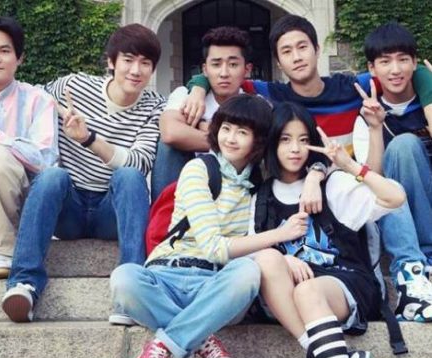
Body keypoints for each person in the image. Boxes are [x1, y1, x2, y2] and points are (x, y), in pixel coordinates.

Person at [185, 13, 432, 320]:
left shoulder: (354, 87)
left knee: (387, 174)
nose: (297, 57)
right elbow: (222, 75)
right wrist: (197, 86)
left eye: (303, 47)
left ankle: (411, 276)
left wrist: (367, 133)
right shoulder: (269, 94)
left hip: (345, 187)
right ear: (278, 62)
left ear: (317, 49)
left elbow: (410, 68)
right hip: (298, 195)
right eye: (286, 51)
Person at [109, 94, 314, 358]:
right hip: (167, 275)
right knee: (123, 278)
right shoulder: (199, 170)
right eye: (226, 128)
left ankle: (159, 350)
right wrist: (281, 236)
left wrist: (315, 176)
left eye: (242, 132)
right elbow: (214, 248)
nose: (230, 138)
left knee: (248, 272)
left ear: (258, 140)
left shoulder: (260, 180)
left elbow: (313, 161)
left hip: (217, 285)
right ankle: (205, 342)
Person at [250, 101, 405, 358]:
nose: (295, 149)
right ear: (271, 143)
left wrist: (347, 165)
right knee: (264, 258)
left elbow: (395, 198)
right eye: (285, 139)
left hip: (344, 282)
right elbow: (249, 253)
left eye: (303, 139)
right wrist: (284, 258)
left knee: (308, 290)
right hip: (293, 294)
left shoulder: (331, 184)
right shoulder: (261, 198)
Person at [1, 23, 165, 322]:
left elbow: (139, 162)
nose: (135, 70)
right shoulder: (73, 87)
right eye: (128, 60)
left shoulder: (155, 106)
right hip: (68, 210)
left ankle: (131, 290)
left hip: (112, 211)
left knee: (129, 177)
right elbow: (29, 99)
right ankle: (24, 283)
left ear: (153, 69)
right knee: (52, 176)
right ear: (111, 62)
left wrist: (88, 139)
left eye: (145, 63)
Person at [353, 22, 432, 322]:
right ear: (372, 68)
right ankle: (413, 270)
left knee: (405, 145)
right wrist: (375, 128)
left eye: (403, 59)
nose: (395, 69)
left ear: (415, 62)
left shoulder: (427, 95)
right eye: (385, 61)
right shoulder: (365, 113)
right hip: (399, 213)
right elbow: (370, 179)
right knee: (400, 149)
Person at [150, 26, 253, 201]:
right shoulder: (186, 95)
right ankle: (165, 212)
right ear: (205, 70)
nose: (224, 73)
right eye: (216, 64)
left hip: (236, 186)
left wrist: (200, 129)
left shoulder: (255, 104)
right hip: (187, 182)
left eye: (233, 64)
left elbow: (259, 145)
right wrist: (230, 140)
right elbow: (170, 133)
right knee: (168, 147)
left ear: (247, 69)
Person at [0, 16, 58, 279]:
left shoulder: (37, 100)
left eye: (4, 50)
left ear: (20, 58)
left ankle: (4, 251)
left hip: (22, 199)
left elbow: (45, 159)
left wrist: (2, 140)